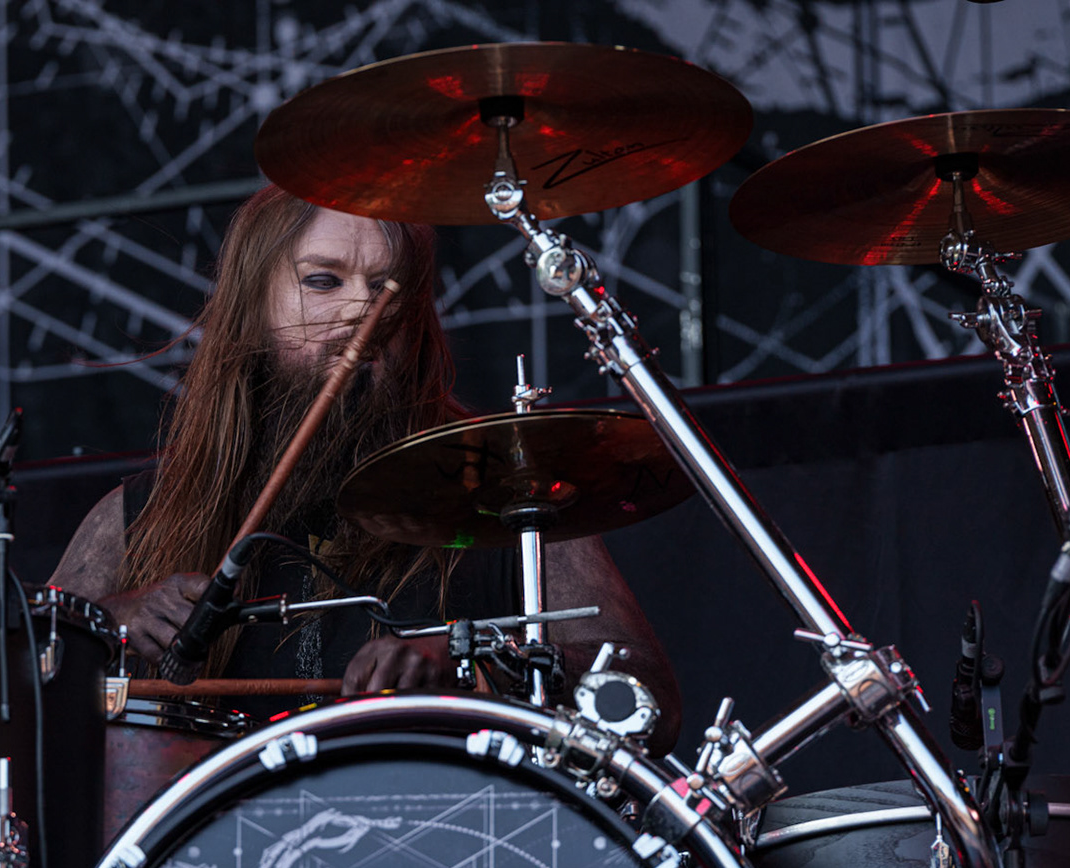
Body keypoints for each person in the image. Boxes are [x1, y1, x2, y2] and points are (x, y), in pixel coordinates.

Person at [51, 185, 681, 750]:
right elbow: (14, 693)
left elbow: (647, 701)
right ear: (250, 306)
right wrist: (101, 628)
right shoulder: (140, 514)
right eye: (323, 281)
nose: (363, 311)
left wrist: (474, 664)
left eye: (386, 289)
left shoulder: (512, 484)